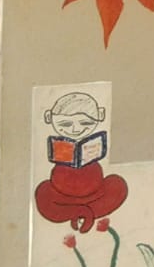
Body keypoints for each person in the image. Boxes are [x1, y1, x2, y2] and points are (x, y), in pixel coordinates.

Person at [34, 91, 128, 231]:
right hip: (62, 197)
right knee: (43, 195)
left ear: (100, 115)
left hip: (96, 194)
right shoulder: (60, 145)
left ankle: (81, 212)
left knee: (118, 186)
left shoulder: (93, 143)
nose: (75, 129)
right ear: (49, 118)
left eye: (85, 122)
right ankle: (80, 212)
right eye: (65, 124)